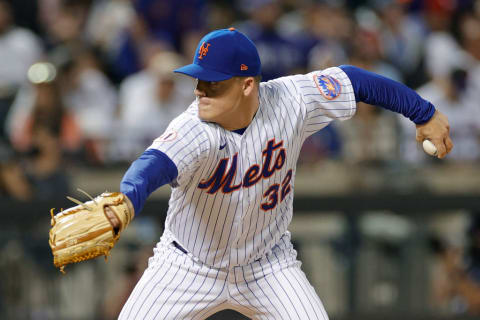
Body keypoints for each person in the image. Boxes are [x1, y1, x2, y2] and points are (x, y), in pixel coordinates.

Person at [112, 28, 452, 319]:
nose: (200, 90)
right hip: (187, 266)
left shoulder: (293, 100)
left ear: (247, 86)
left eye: (213, 83)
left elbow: (356, 80)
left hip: (267, 267)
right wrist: (126, 198)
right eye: (199, 79)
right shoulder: (193, 128)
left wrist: (424, 113)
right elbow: (153, 164)